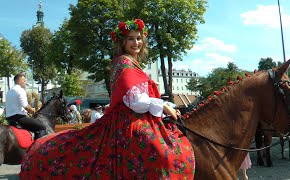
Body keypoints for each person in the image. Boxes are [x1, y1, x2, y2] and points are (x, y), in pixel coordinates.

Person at [20, 19, 194, 179]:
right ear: (122, 42)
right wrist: (163, 105)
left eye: (138, 38)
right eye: (130, 39)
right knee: (159, 152)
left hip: (138, 115)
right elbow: (135, 101)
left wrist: (168, 106)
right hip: (128, 118)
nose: (136, 43)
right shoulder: (123, 63)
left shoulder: (133, 63)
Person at [5, 73, 46, 139]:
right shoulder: (20, 90)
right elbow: (25, 106)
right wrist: (33, 110)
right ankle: (37, 147)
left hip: (9, 119)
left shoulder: (9, 92)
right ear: (18, 81)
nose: (25, 82)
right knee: (42, 127)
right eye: (24, 81)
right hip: (19, 118)